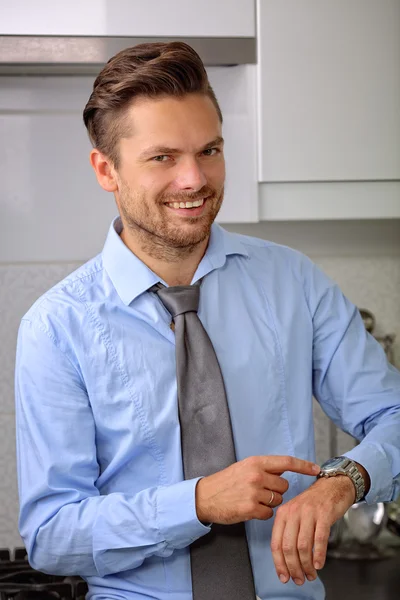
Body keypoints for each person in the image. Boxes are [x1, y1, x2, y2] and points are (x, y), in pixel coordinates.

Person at [15, 41, 400, 600]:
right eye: (163, 157)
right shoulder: (56, 328)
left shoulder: (293, 281)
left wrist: (345, 480)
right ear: (107, 170)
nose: (195, 179)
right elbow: (52, 535)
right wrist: (195, 503)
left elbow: (393, 414)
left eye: (210, 150)